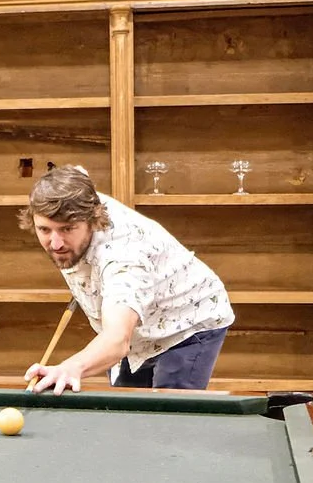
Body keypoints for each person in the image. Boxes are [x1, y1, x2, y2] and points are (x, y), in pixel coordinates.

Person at [20, 165, 233, 395]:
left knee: (168, 419)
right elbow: (78, 171)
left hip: (186, 323)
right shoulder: (75, 192)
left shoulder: (123, 256)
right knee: (127, 413)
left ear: (93, 219)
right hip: (139, 333)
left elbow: (118, 338)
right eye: (44, 229)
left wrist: (72, 367)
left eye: (67, 229)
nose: (56, 243)